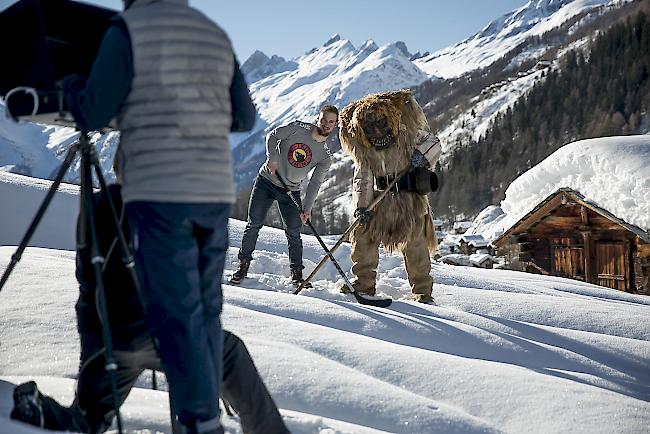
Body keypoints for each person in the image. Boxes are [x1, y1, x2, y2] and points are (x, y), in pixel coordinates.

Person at [58, 1, 257, 432]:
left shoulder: (128, 29)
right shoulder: (214, 33)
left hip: (161, 192)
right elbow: (244, 117)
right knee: (205, 314)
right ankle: (204, 419)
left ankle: (199, 423)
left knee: (175, 315)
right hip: (215, 192)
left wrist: (73, 88)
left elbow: (92, 110)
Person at [10, 180, 289, 434]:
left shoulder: (99, 203)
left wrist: (93, 342)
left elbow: (87, 278)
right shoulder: (167, 203)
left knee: (88, 420)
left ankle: (40, 410)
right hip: (162, 331)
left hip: (106, 335)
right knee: (229, 351)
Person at [337, 90, 442, 304]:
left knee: (416, 244)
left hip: (409, 200)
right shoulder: (365, 150)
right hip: (380, 201)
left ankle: (422, 290)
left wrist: (421, 156)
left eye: (380, 124)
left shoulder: (408, 134)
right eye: (369, 128)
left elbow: (434, 144)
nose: (376, 131)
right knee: (364, 236)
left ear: (390, 120)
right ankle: (363, 283)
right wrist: (361, 208)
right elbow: (363, 178)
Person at [230, 105, 339, 286]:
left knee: (294, 232)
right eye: (324, 119)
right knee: (254, 223)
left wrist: (308, 208)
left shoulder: (325, 155)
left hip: (291, 191)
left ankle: (297, 275)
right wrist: (272, 158)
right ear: (317, 118)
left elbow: (315, 183)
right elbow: (272, 136)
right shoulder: (298, 127)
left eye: (331, 122)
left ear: (335, 125)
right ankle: (243, 266)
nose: (326, 124)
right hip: (266, 182)